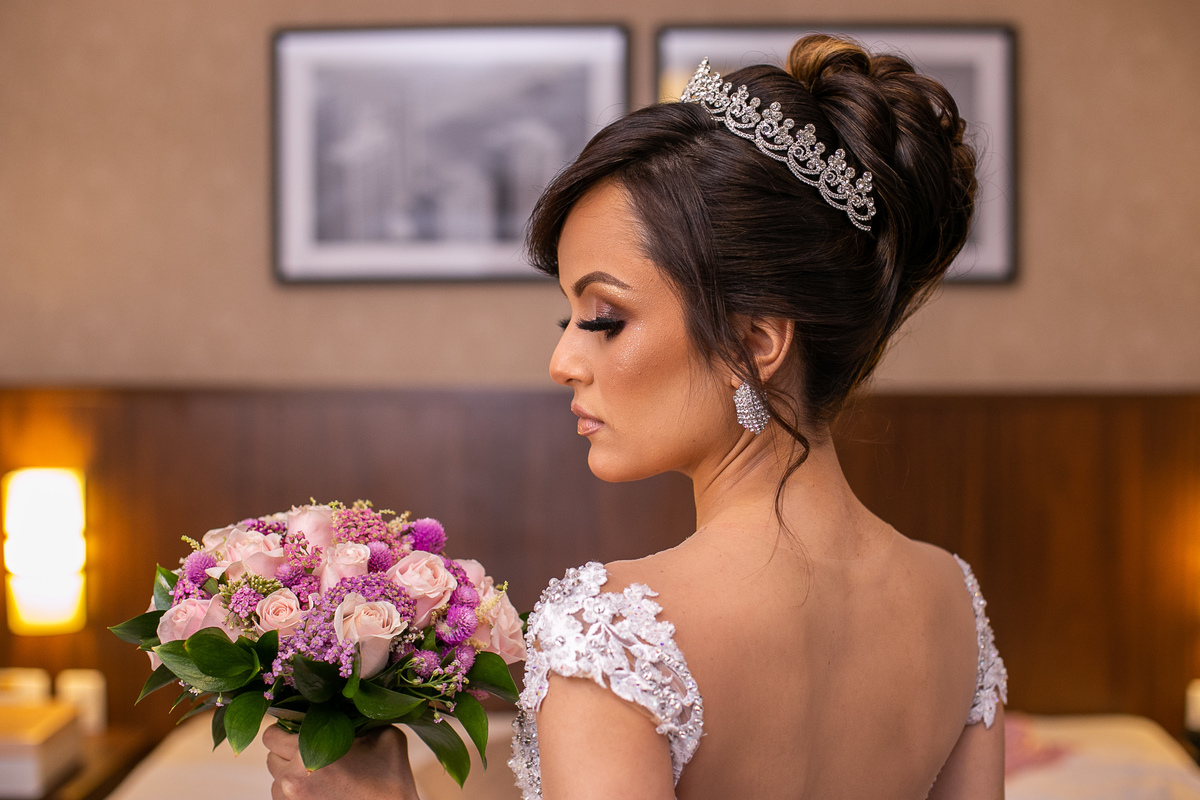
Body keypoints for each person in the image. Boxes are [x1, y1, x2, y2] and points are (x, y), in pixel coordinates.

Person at [265, 33, 1006, 800]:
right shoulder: (952, 600)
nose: (563, 362)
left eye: (606, 316)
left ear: (754, 344)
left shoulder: (615, 631)